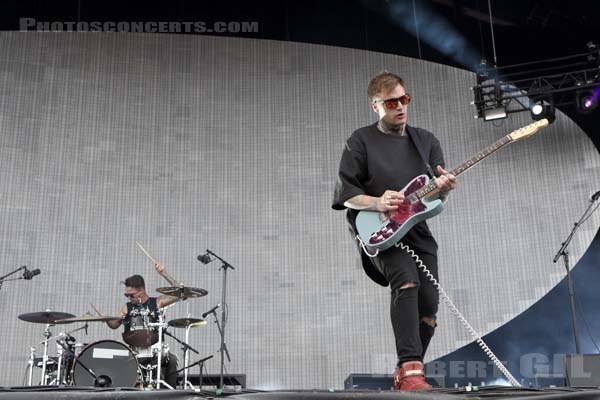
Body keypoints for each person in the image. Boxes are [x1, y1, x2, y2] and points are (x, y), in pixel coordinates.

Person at [332, 71, 456, 390]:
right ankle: (411, 369)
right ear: (376, 106)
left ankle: (405, 375)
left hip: (416, 231)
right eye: (391, 103)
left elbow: (433, 196)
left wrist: (443, 188)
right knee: (406, 278)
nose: (400, 107)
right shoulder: (359, 140)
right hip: (378, 233)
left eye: (404, 99)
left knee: (428, 309)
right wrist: (377, 201)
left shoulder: (425, 141)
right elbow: (346, 195)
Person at [103, 262, 181, 388]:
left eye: (131, 295)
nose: (129, 298)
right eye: (126, 295)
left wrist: (163, 273)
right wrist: (106, 319)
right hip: (135, 351)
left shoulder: (157, 302)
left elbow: (180, 292)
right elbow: (114, 325)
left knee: (171, 359)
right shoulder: (126, 307)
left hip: (155, 349)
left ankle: (170, 394)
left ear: (141, 291)